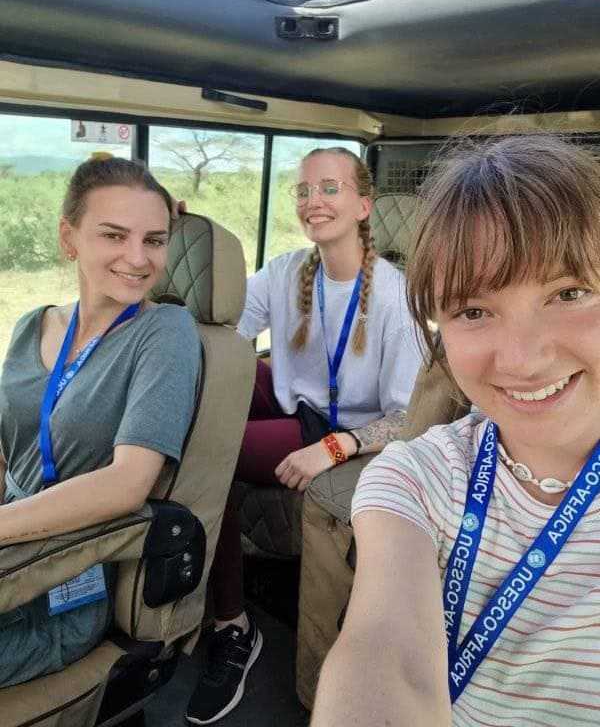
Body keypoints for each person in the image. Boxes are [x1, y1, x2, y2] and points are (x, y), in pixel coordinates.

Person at [311, 134, 600, 727]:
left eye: (568, 293)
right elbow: (384, 654)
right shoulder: (420, 476)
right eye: (473, 311)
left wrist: (339, 443)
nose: (520, 359)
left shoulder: (387, 297)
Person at [186, 147, 422, 725]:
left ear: (363, 203)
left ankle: (233, 626)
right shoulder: (288, 269)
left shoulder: (396, 295)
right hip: (295, 400)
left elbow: (409, 418)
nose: (312, 201)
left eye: (330, 189)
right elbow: (225, 333)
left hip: (344, 427)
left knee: (208, 457)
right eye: (302, 191)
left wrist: (335, 447)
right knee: (195, 413)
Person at [0, 155, 200, 687]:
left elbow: (127, 484)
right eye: (115, 235)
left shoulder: (165, 332)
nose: (137, 258)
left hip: (60, 577)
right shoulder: (31, 325)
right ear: (69, 238)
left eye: (155, 240)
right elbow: (8, 449)